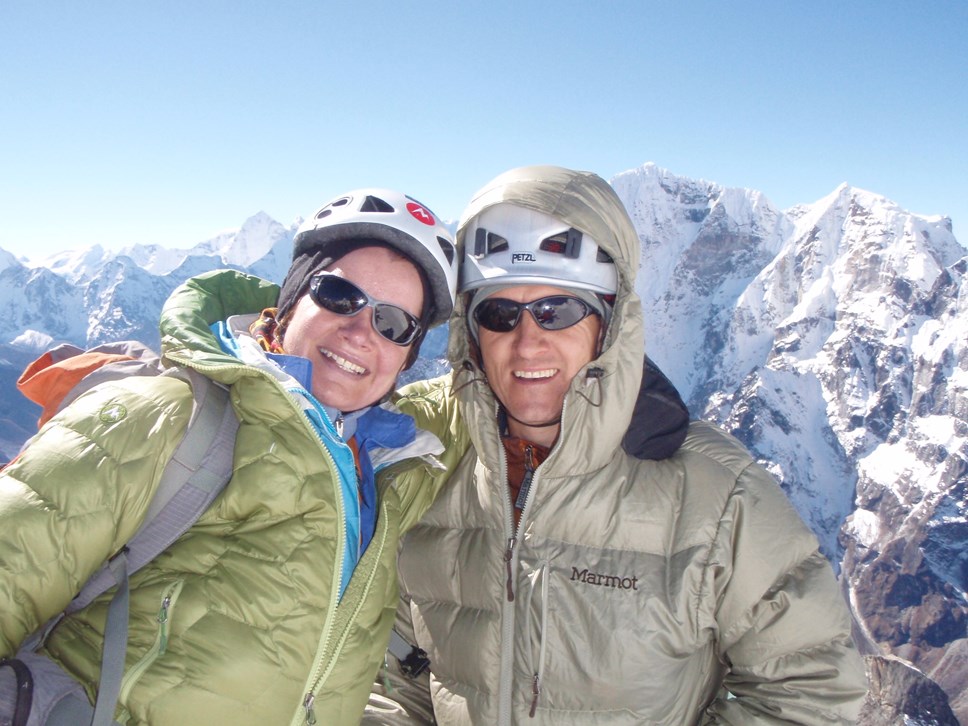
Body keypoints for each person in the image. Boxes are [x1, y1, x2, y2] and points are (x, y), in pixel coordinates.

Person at [366, 166, 869, 724]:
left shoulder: (719, 498)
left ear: (608, 327)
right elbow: (397, 674)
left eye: (558, 311)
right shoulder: (430, 475)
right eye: (500, 313)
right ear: (472, 334)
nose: (527, 342)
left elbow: (811, 689)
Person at [0, 188, 466, 724]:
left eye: (393, 323)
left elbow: (490, 390)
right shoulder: (164, 417)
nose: (361, 331)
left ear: (409, 355)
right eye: (339, 295)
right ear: (291, 299)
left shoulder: (393, 460)